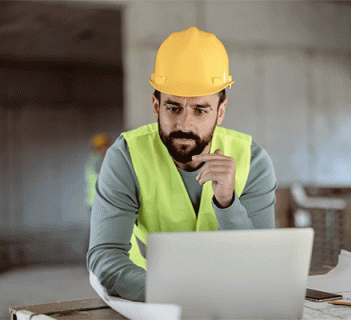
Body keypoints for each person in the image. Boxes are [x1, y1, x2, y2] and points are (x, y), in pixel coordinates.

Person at [86, 26, 277, 302]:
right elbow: (105, 256)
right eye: (173, 108)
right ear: (156, 106)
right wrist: (174, 293)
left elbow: (262, 266)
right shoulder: (126, 157)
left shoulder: (253, 161)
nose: (185, 124)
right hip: (151, 297)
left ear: (220, 112)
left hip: (232, 299)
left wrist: (227, 203)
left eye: (200, 110)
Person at [85, 133, 111, 210]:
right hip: (99, 202)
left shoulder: (93, 159)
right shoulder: (98, 161)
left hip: (97, 202)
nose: (105, 149)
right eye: (101, 147)